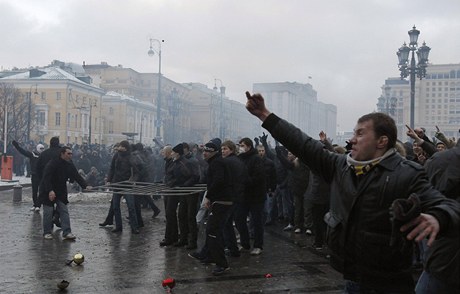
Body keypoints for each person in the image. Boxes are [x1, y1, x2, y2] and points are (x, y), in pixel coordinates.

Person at [245, 91, 460, 293]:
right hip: (350, 276)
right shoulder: (341, 166)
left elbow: (447, 205)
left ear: (382, 141)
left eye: (360, 133)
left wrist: (437, 217)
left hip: (388, 282)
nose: (353, 139)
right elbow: (304, 144)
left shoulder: (407, 173)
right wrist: (265, 115)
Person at [189, 140, 234, 276]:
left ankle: (222, 263)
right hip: (219, 200)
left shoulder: (217, 163)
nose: (204, 153)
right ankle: (209, 255)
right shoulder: (215, 162)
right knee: (212, 231)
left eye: (207, 151)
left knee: (213, 231)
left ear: (214, 152)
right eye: (204, 151)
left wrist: (209, 196)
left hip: (222, 201)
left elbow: (218, 181)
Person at [40, 146, 90, 240]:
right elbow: (46, 177)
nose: (70, 155)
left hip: (60, 190)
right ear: (62, 154)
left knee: (64, 210)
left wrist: (85, 185)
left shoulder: (69, 164)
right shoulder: (53, 163)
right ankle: (47, 232)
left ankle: (67, 232)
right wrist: (50, 191)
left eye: (71, 153)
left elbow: (76, 176)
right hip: (48, 189)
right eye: (68, 154)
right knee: (48, 211)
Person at [235, 137, 266, 255]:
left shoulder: (256, 159)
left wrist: (244, 180)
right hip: (243, 195)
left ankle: (258, 245)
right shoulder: (240, 158)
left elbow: (258, 177)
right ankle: (244, 242)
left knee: (257, 221)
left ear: (249, 146)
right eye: (240, 145)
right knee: (239, 219)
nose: (241, 148)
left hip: (256, 196)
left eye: (242, 145)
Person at [106, 140, 141, 234]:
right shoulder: (116, 155)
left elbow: (137, 171)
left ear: (125, 148)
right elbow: (111, 168)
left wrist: (133, 180)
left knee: (131, 206)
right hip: (117, 183)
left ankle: (134, 227)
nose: (119, 147)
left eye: (121, 146)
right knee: (116, 206)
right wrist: (109, 180)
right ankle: (118, 226)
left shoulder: (130, 157)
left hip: (126, 185)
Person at [12, 141, 45, 211]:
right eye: (41, 148)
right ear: (37, 148)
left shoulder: (45, 155)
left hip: (42, 175)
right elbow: (23, 152)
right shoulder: (33, 154)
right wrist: (17, 146)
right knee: (34, 190)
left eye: (43, 148)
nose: (42, 150)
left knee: (41, 191)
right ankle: (35, 204)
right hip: (35, 174)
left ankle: (38, 205)